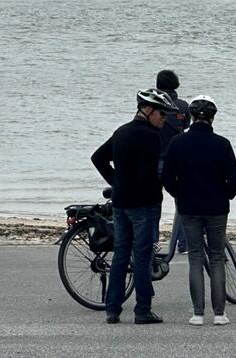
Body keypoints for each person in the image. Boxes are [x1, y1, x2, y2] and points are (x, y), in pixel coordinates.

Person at [92, 88, 177, 324]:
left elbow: (97, 158)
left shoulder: (121, 132)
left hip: (121, 203)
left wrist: (116, 181)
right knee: (142, 256)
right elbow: (148, 174)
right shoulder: (151, 136)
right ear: (147, 110)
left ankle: (112, 309)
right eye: (162, 113)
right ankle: (142, 310)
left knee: (120, 254)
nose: (164, 118)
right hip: (143, 205)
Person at [161, 95, 236, 327]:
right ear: (213, 117)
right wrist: (226, 194)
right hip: (217, 207)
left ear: (191, 116)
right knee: (216, 257)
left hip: (189, 207)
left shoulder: (177, 142)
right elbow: (235, 179)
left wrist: (179, 193)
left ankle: (198, 313)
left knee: (195, 258)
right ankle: (219, 314)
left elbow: (166, 177)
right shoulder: (222, 144)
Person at [155, 69, 192, 253]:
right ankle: (183, 243)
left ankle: (153, 243)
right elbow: (185, 126)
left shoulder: (151, 107)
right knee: (182, 202)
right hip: (176, 161)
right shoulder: (183, 107)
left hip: (154, 160)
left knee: (153, 203)